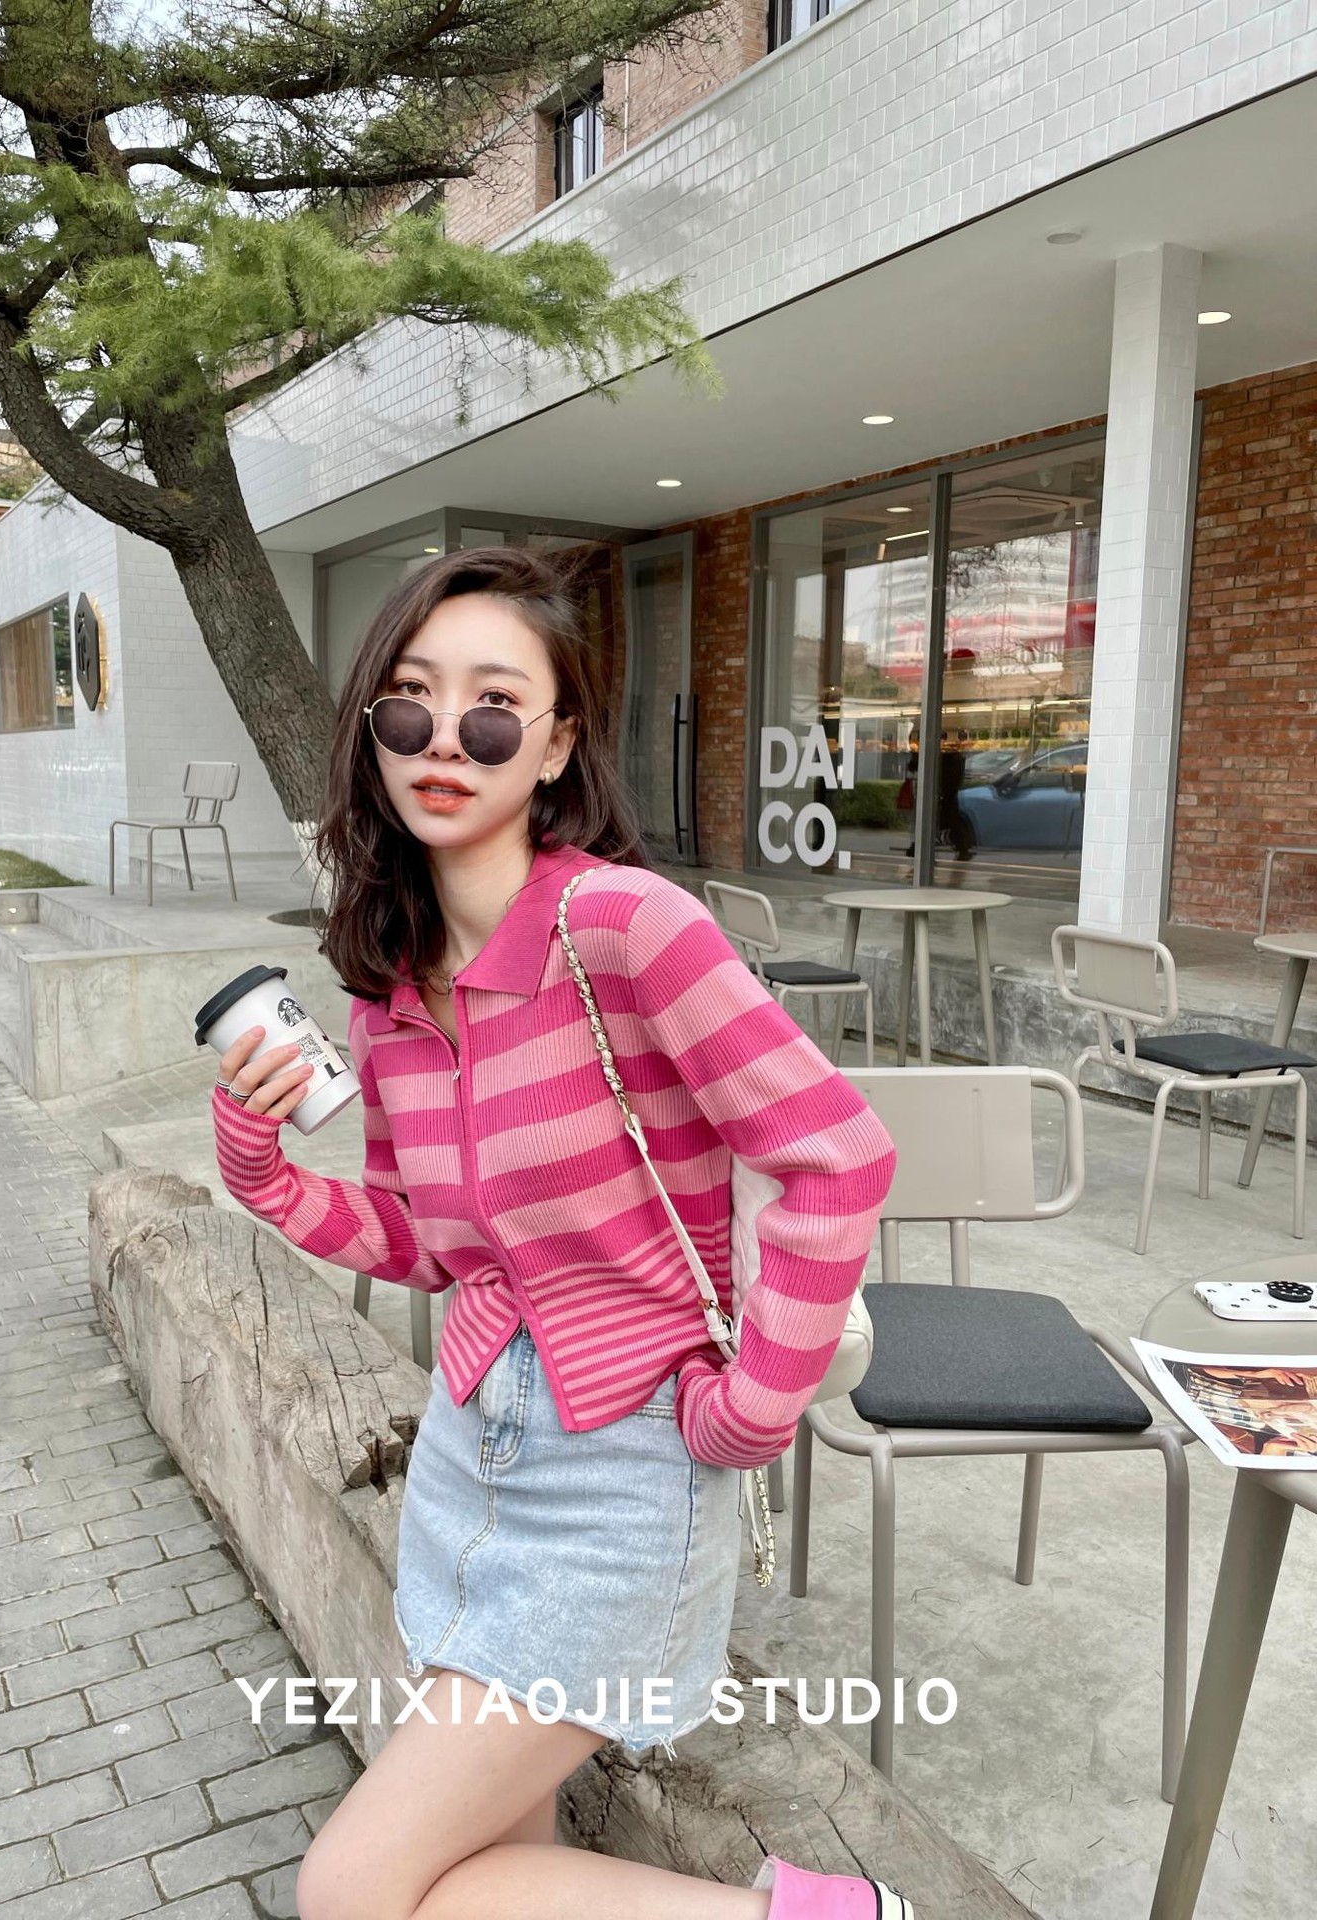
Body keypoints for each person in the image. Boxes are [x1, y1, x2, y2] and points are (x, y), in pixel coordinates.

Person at [209, 547, 907, 1920]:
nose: (444, 739)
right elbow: (427, 1245)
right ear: (370, 732)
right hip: (468, 1456)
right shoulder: (389, 990)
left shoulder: (628, 928)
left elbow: (835, 1153)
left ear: (556, 743)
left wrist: (754, 1410)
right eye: (409, 701)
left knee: (354, 1889)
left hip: (627, 1472)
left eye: (492, 707)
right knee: (476, 1874)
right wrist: (262, 1171)